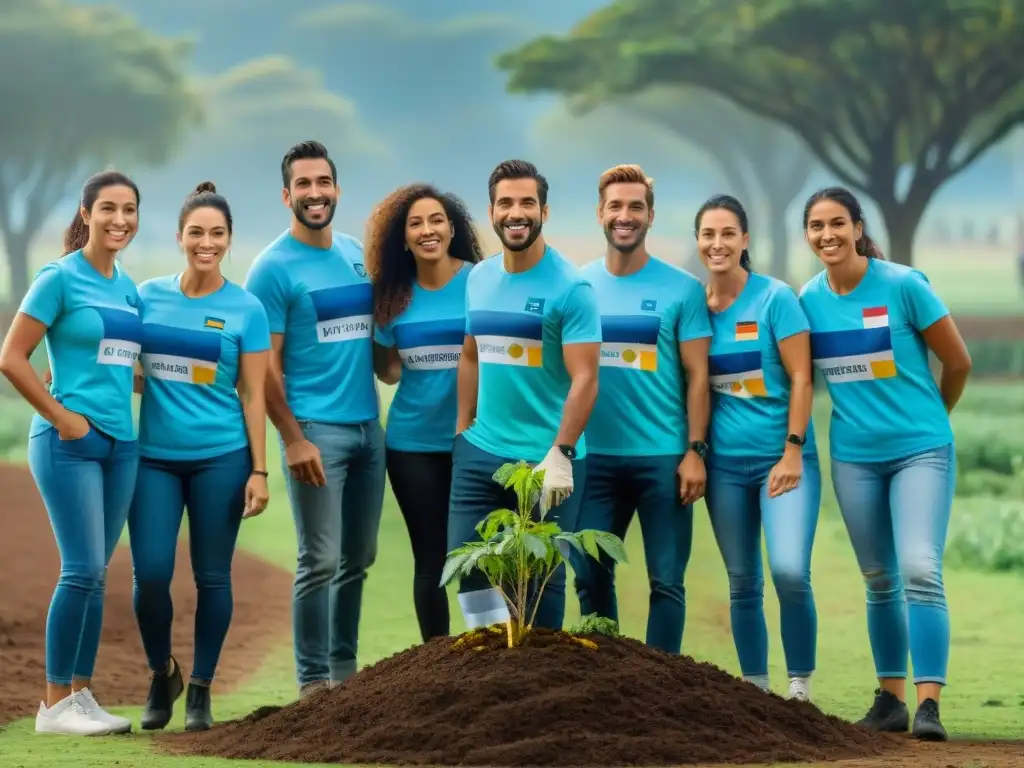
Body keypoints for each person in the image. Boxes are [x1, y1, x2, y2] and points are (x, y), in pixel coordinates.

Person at [799, 187, 972, 741]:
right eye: (816, 226)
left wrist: (932, 419)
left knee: (919, 568)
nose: (827, 235)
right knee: (878, 578)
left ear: (856, 227)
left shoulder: (903, 284)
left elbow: (959, 360)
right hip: (854, 458)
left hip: (921, 449)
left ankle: (928, 706)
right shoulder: (807, 300)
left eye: (837, 224)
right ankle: (891, 701)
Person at [0, 171, 143, 736]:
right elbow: (12, 356)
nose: (120, 220)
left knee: (99, 574)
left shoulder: (128, 287)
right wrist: (63, 418)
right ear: (86, 213)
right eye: (108, 208)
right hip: (70, 444)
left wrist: (194, 380)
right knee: (81, 569)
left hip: (121, 445)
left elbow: (112, 364)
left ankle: (81, 695)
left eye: (129, 210)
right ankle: (54, 704)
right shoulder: (59, 277)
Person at [244, 141, 385, 698]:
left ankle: (343, 672)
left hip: (368, 428)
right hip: (316, 433)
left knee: (360, 556)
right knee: (320, 559)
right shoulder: (272, 269)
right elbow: (265, 369)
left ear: (337, 188)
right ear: (286, 196)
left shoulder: (355, 254)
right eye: (303, 185)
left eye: (323, 182)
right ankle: (312, 685)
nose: (315, 193)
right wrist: (294, 439)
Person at [129, 182, 271, 732]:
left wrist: (259, 470)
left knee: (213, 577)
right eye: (196, 233)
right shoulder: (146, 296)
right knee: (152, 575)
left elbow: (253, 394)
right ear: (179, 237)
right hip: (153, 461)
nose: (205, 243)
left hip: (222, 458)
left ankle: (201, 690)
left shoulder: (246, 309)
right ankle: (161, 672)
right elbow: (125, 362)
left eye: (216, 234)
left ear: (229, 240)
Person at [450, 159, 602, 631]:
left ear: (544, 211)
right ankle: (489, 670)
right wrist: (462, 429)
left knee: (539, 584)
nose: (516, 213)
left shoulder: (571, 287)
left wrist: (561, 453)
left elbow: (586, 378)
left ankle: (537, 694)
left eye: (527, 203)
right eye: (506, 203)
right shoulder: (479, 277)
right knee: (471, 570)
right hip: (481, 452)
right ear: (491, 211)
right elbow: (471, 355)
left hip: (545, 462)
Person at [572, 165, 711, 655]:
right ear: (600, 213)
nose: (624, 216)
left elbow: (698, 377)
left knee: (666, 582)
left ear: (650, 216)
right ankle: (603, 683)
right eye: (616, 207)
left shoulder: (683, 290)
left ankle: (662, 690)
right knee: (588, 576)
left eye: (635, 207)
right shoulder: (577, 287)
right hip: (593, 460)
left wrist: (695, 451)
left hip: (663, 457)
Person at [697, 194, 821, 701]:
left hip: (784, 462)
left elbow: (801, 378)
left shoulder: (775, 299)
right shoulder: (695, 308)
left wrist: (792, 450)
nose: (718, 244)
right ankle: (756, 690)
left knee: (789, 569)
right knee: (742, 581)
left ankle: (799, 686)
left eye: (728, 234)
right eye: (708, 235)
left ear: (745, 240)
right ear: (699, 242)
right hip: (724, 468)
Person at [365, 184, 483, 642]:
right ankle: (435, 664)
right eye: (415, 223)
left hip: (476, 440)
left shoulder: (481, 280)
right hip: (412, 444)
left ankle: (488, 654)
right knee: (430, 558)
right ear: (404, 237)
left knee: (475, 551)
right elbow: (390, 372)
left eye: (436, 220)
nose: (427, 230)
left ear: (452, 229)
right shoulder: (392, 298)